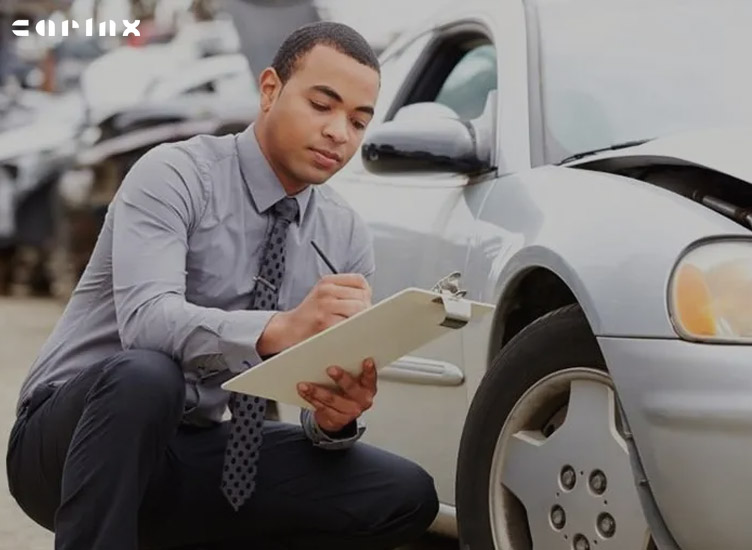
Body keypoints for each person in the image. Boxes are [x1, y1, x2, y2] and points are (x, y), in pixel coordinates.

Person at [6, 21, 439, 550]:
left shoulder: (344, 233)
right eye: (322, 105)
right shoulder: (174, 175)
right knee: (148, 376)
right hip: (68, 444)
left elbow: (310, 394)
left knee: (404, 492)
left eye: (357, 120)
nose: (338, 132)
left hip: (195, 449)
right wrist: (280, 328)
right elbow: (146, 323)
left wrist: (334, 417)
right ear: (270, 89)